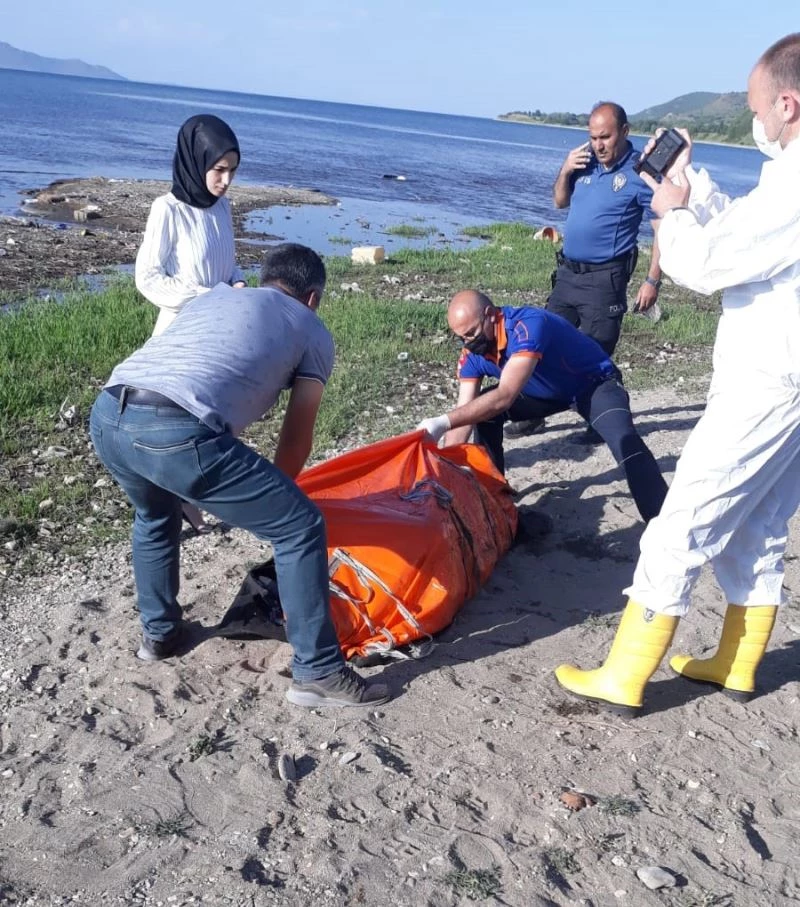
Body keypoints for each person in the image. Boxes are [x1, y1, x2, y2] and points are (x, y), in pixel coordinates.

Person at [555, 33, 800, 715]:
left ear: (789, 102)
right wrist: (694, 187)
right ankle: (738, 659)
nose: (755, 121)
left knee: (680, 521)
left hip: (769, 377)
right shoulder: (789, 174)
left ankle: (626, 674)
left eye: (758, 108)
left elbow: (711, 264)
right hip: (784, 375)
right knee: (759, 520)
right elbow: (748, 230)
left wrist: (668, 217)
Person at [90, 243, 390, 709]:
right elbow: (296, 435)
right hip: (175, 428)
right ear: (312, 297)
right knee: (300, 525)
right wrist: (278, 504)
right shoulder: (311, 327)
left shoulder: (217, 296)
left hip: (109, 414)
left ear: (266, 277)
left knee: (154, 517)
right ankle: (319, 673)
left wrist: (184, 477)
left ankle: (160, 637)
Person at [415, 290, 668, 523]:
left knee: (626, 443)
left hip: (593, 385)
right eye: (461, 337)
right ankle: (496, 497)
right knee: (482, 415)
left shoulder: (527, 325)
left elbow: (505, 395)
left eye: (471, 333)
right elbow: (464, 416)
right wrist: (444, 466)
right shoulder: (472, 355)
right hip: (544, 394)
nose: (468, 343)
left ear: (491, 316)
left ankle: (663, 522)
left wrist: (442, 421)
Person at [509, 103, 663, 441]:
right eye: (593, 137)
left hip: (604, 279)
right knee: (542, 343)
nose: (599, 145)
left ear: (624, 132)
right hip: (567, 274)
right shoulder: (584, 163)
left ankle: (606, 416)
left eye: (605, 137)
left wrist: (652, 280)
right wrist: (565, 170)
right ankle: (534, 413)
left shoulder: (642, 173)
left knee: (594, 353)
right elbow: (559, 202)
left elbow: (662, 229)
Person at [135, 113, 247, 531]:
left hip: (216, 335)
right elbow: (147, 278)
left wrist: (237, 284)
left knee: (210, 424)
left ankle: (185, 501)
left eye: (232, 171)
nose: (226, 181)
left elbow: (229, 265)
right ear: (195, 161)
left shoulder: (222, 209)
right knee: (174, 429)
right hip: (178, 338)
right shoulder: (167, 210)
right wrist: (206, 295)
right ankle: (167, 508)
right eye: (219, 169)